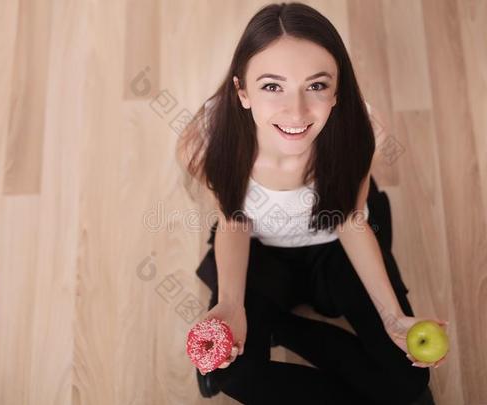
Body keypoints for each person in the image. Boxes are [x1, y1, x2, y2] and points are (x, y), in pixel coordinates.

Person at [177, 3, 449, 404]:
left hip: (336, 246)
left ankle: (281, 327)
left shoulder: (360, 129)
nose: (297, 111)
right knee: (232, 379)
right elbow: (233, 219)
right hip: (259, 250)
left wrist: (393, 318)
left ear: (337, 92)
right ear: (242, 91)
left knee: (409, 382)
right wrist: (231, 304)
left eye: (317, 86)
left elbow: (351, 221)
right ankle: (270, 324)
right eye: (272, 86)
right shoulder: (205, 142)